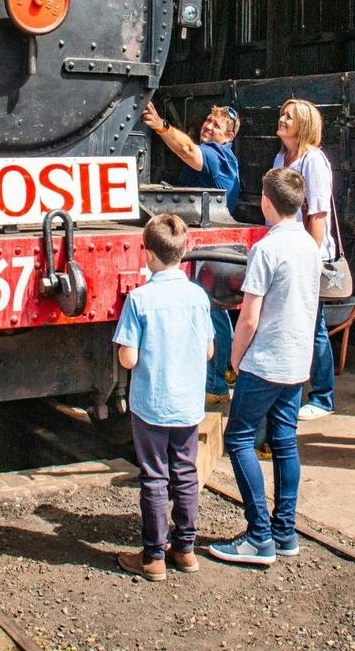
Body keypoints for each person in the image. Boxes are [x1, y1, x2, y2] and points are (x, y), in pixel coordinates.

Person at [208, 168, 321, 566]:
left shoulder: (266, 249)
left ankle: (258, 536)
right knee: (285, 442)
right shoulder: (310, 246)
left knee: (239, 439)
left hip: (264, 361)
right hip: (295, 361)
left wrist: (235, 359)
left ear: (266, 202)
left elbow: (249, 317)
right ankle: (284, 532)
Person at [113, 214, 215, 582]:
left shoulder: (140, 299)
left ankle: (154, 557)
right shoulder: (198, 296)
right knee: (185, 474)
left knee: (155, 477)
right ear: (184, 250)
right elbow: (207, 351)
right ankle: (185, 550)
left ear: (148, 255)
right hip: (187, 405)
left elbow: (129, 358)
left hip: (152, 405)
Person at [141, 101, 240, 405]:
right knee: (216, 312)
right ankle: (222, 374)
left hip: (211, 245)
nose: (208, 127)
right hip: (206, 243)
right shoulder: (216, 154)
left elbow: (188, 151)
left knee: (214, 314)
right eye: (208, 121)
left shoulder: (219, 155)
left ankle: (215, 385)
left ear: (229, 137)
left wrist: (160, 125)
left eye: (217, 125)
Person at [275, 99, 337, 421]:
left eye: (290, 116)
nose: (282, 119)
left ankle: (324, 397)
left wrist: (310, 259)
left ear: (305, 125)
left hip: (308, 254)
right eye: (283, 114)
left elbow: (318, 213)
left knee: (314, 328)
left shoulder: (313, 161)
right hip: (285, 251)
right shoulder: (281, 157)